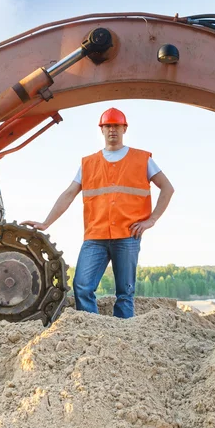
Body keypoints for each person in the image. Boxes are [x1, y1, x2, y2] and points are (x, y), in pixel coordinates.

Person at [22, 107, 174, 318]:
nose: (112, 130)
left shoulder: (142, 159)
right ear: (101, 130)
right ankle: (92, 329)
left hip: (128, 235)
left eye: (116, 126)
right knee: (82, 285)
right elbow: (69, 194)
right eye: (108, 126)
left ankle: (124, 336)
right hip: (96, 236)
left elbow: (167, 188)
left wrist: (152, 220)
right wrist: (46, 222)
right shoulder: (88, 164)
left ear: (124, 128)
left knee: (125, 292)